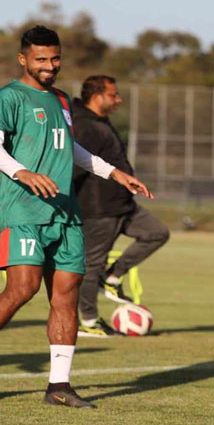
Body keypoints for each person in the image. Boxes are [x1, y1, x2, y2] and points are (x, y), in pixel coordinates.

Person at [0, 26, 152, 409]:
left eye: (55, 58)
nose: (49, 66)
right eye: (41, 59)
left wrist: (114, 173)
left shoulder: (62, 99)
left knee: (66, 296)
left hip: (65, 212)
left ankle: (59, 385)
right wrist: (21, 172)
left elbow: (70, 147)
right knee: (22, 289)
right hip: (23, 210)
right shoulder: (9, 97)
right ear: (23, 59)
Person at [71, 75, 169, 337]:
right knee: (92, 265)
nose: (119, 99)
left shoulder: (99, 122)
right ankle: (88, 322)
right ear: (96, 96)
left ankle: (112, 277)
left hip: (123, 204)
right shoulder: (83, 126)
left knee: (157, 233)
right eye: (113, 95)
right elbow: (73, 165)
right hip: (98, 208)